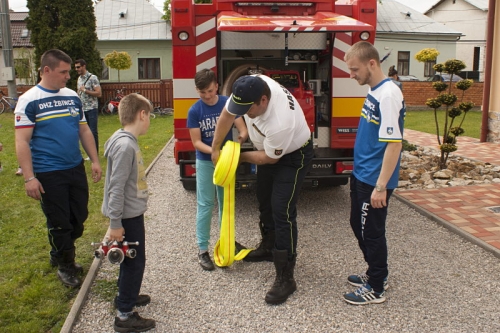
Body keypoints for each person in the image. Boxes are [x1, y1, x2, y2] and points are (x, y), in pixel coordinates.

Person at [211, 75, 313, 305]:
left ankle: (286, 275)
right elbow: (227, 115)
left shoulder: (280, 121)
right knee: (264, 201)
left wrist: (236, 156)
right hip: (268, 150)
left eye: (248, 109)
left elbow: (269, 158)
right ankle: (268, 247)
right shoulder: (249, 86)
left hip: (292, 157)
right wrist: (216, 148)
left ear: (264, 100)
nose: (244, 113)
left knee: (282, 211)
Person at [15, 49, 102, 288]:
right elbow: (22, 141)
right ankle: (66, 265)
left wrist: (94, 160)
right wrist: (29, 178)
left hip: (74, 167)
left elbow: (83, 130)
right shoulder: (29, 100)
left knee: (79, 217)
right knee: (60, 221)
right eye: (63, 72)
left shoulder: (72, 96)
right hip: (48, 172)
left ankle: (58, 251)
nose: (67, 76)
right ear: (47, 70)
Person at [343, 41, 405, 305]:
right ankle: (375, 274)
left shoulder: (389, 94)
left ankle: (377, 287)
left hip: (375, 180)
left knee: (372, 232)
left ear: (372, 63)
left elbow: (394, 143)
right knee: (358, 225)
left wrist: (381, 186)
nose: (351, 75)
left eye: (355, 69)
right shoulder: (375, 90)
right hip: (363, 174)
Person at [102, 93, 155, 332]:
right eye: (150, 115)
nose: (150, 120)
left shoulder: (123, 139)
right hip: (127, 216)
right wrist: (115, 222)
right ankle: (124, 314)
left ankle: (127, 295)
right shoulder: (125, 146)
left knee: (129, 259)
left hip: (130, 213)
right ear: (142, 114)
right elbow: (116, 186)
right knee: (135, 262)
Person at [187, 69, 248, 271]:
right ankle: (202, 250)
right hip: (206, 162)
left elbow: (241, 127)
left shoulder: (226, 103)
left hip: (227, 162)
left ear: (217, 85)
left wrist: (242, 136)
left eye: (210, 91)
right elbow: (196, 142)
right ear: (197, 90)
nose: (207, 96)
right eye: (202, 92)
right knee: (205, 204)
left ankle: (227, 242)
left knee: (226, 203)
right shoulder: (195, 111)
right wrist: (214, 152)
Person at [75, 59, 101, 154]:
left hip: (92, 108)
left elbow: (99, 93)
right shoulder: (79, 79)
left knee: (93, 131)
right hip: (82, 109)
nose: (76, 69)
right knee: (84, 132)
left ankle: (95, 153)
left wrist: (85, 90)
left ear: (84, 66)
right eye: (75, 67)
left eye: (78, 67)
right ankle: (88, 152)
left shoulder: (92, 78)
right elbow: (79, 92)